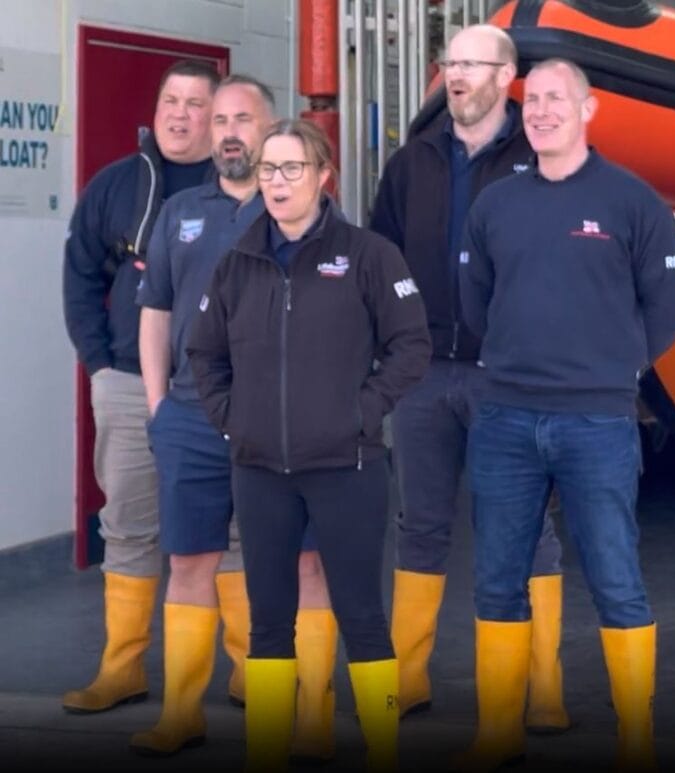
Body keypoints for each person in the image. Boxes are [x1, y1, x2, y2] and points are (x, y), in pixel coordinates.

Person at [456, 59, 675, 771]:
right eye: (534, 101)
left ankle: (635, 739)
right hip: (505, 416)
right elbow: (476, 301)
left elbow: (670, 306)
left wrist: (617, 366)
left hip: (597, 420)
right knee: (497, 576)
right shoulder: (495, 203)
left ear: (589, 111)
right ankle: (499, 733)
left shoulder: (632, 201)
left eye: (559, 100)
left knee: (615, 576)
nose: (543, 111)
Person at [188, 118, 431, 772]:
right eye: (269, 168)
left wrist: (363, 411)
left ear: (324, 175)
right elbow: (203, 353)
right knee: (269, 622)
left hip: (347, 467)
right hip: (260, 470)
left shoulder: (369, 255)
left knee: (362, 617)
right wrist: (234, 420)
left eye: (292, 168)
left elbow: (412, 344)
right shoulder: (237, 261)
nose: (278, 181)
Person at [130, 75, 337, 761]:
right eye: (219, 120)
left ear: (274, 129)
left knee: (306, 565)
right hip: (191, 419)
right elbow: (154, 310)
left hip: (285, 422)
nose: (227, 132)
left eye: (243, 119)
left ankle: (311, 716)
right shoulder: (179, 212)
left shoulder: (308, 212)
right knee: (190, 562)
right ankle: (182, 712)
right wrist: (159, 405)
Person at [370, 23, 569, 730]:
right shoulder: (412, 161)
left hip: (509, 378)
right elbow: (379, 261)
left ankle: (542, 688)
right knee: (418, 525)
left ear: (506, 76)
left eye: (471, 64)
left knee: (524, 527)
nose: (455, 75)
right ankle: (408, 679)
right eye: (449, 63)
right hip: (424, 375)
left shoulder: (544, 156)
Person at [61, 59, 241, 716]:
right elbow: (80, 274)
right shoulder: (116, 186)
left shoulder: (243, 189)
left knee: (237, 532)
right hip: (130, 383)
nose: (180, 113)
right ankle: (122, 668)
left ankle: (249, 670)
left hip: (224, 394)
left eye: (198, 104)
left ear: (216, 117)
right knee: (130, 526)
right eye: (172, 99)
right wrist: (98, 363)